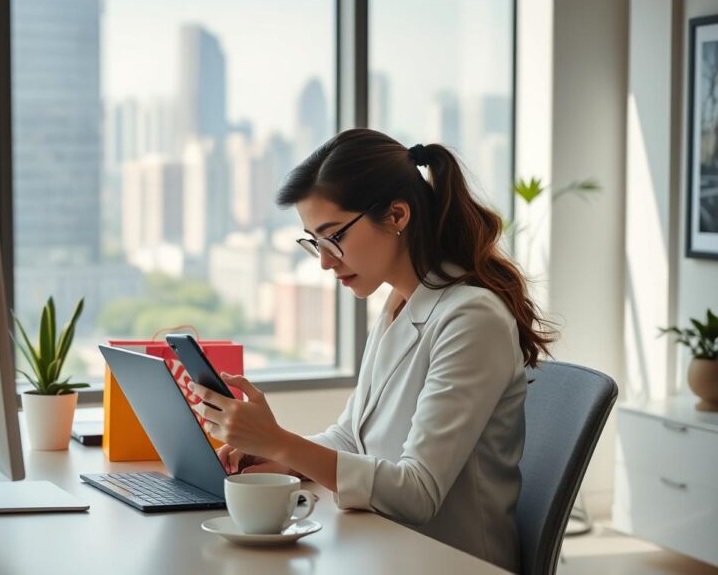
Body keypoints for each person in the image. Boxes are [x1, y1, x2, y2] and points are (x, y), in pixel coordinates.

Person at [188, 128, 554, 573]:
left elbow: (417, 494)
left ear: (397, 215)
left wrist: (280, 441)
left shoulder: (471, 318)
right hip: (383, 548)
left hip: (449, 561)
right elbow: (351, 436)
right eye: (314, 241)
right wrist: (275, 454)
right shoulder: (399, 303)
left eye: (332, 236)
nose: (324, 260)